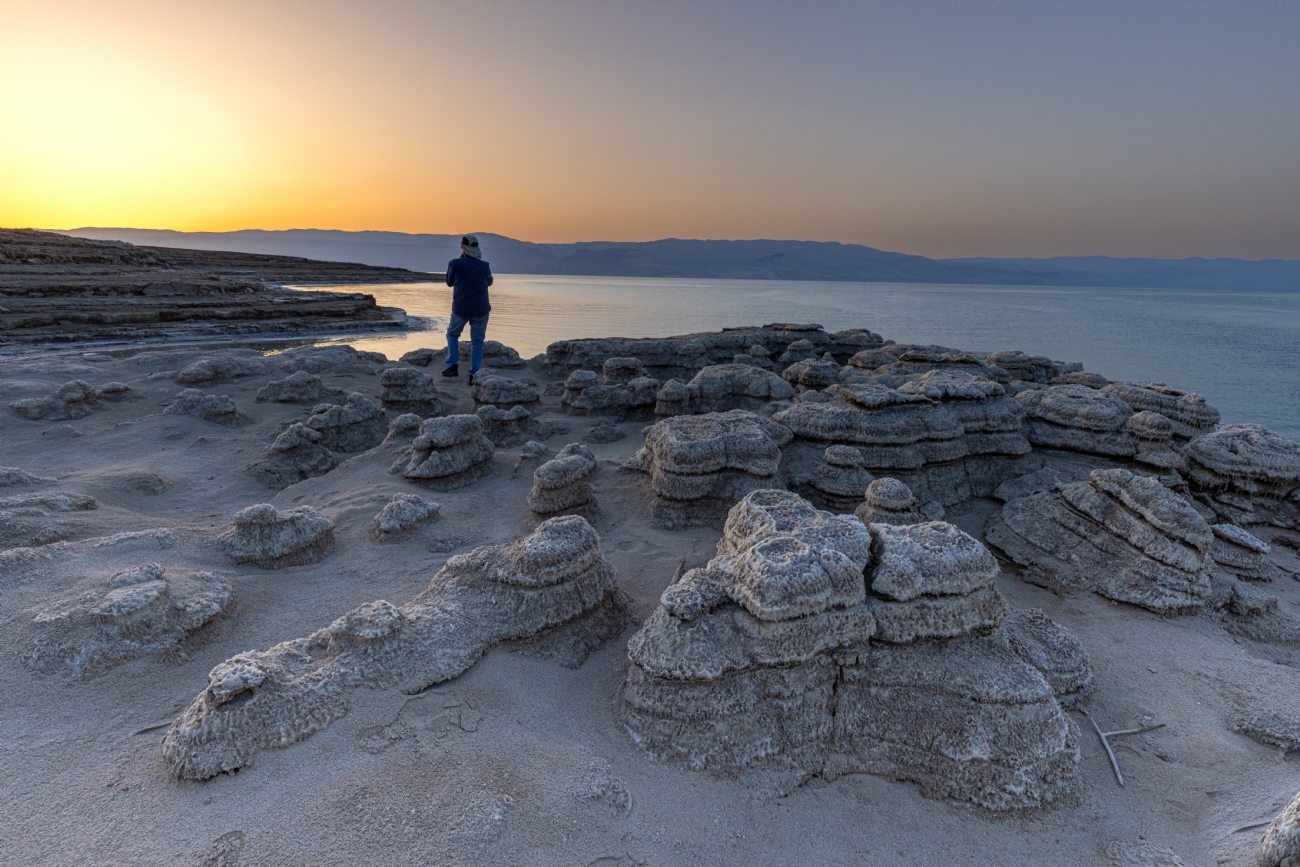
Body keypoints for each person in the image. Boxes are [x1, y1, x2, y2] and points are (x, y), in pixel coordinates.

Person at [442, 234, 493, 379]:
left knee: (452, 334)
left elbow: (449, 283)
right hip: (481, 308)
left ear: (463, 248)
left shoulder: (455, 264)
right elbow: (489, 282)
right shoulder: (485, 266)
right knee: (477, 342)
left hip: (461, 307)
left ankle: (452, 366)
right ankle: (474, 374)